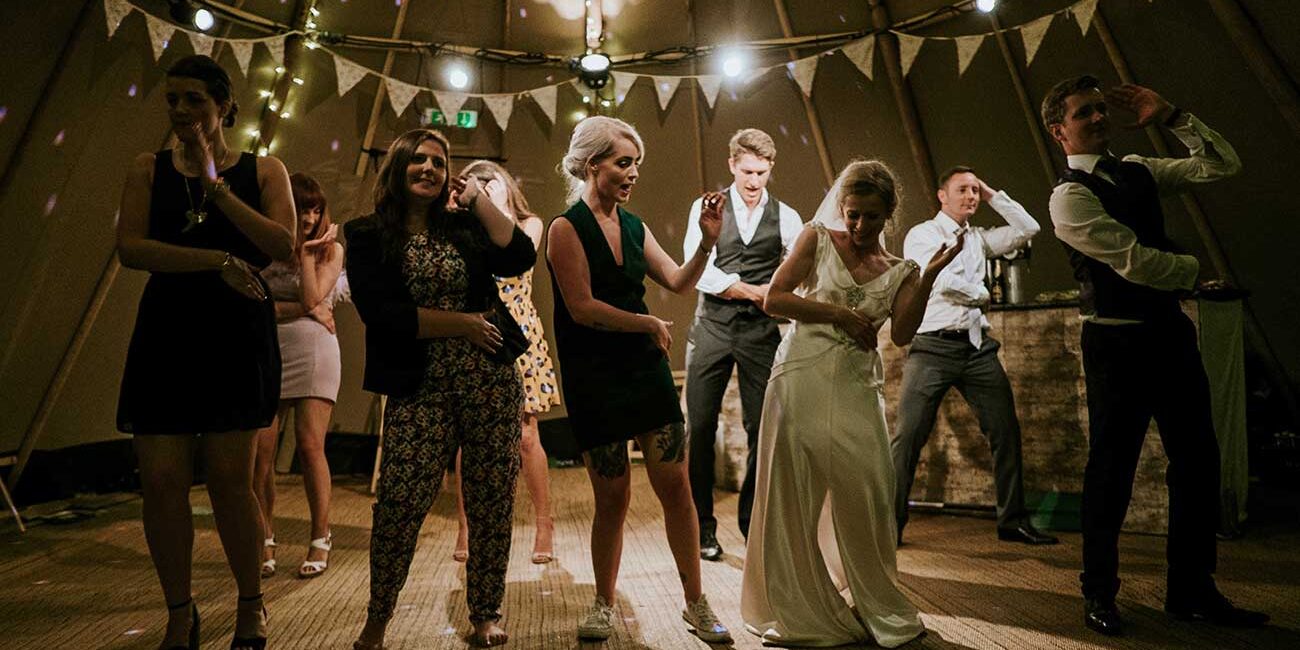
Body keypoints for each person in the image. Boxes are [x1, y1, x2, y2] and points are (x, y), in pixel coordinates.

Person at [1042, 75, 1267, 635]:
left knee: (1198, 461)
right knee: (1111, 470)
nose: (1098, 117)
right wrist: (1190, 269)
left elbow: (1222, 165)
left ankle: (1191, 590)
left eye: (1101, 108)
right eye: (1083, 112)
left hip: (1169, 334)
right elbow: (1136, 263)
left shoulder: (1137, 168)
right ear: (1058, 131)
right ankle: (1099, 593)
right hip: (1115, 344)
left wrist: (1173, 117)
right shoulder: (1068, 196)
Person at [116, 54, 295, 650]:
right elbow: (132, 248)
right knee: (162, 479)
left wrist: (218, 190)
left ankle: (250, 604)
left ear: (224, 107)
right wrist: (216, 261)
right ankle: (178, 611)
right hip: (167, 330)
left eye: (194, 99)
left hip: (235, 333)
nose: (181, 110)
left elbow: (281, 245)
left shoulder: (265, 170)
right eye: (172, 99)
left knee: (229, 480)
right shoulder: (148, 168)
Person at [741, 160, 960, 648]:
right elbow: (775, 299)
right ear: (841, 208)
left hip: (858, 387)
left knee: (869, 491)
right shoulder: (817, 239)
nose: (859, 226)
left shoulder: (900, 270)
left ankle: (870, 598)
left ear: (888, 215)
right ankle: (799, 610)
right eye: (852, 214)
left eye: (871, 217)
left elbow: (902, 333)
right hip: (800, 376)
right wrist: (838, 314)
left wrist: (927, 279)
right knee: (793, 494)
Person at [345, 129, 536, 649]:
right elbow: (382, 315)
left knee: (491, 499)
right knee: (399, 502)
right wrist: (464, 324)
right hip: (418, 385)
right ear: (397, 167)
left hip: (489, 381)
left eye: (438, 162)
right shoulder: (365, 234)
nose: (429, 168)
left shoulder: (464, 226)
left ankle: (486, 613)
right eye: (418, 159)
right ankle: (377, 618)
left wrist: (476, 199)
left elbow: (519, 256)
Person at [546, 116, 731, 643]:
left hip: (644, 369)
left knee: (676, 488)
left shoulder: (634, 225)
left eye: (636, 164)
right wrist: (646, 323)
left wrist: (706, 244)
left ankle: (695, 603)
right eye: (623, 163)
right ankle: (603, 603)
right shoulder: (565, 228)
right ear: (592, 164)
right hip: (595, 374)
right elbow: (581, 308)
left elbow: (677, 281)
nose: (633, 173)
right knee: (612, 498)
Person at [890, 167, 1056, 546]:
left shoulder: (978, 239)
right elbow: (938, 280)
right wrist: (980, 293)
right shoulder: (923, 234)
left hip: (977, 347)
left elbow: (1029, 228)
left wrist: (992, 193)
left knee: (1005, 431)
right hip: (933, 347)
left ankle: (1012, 521)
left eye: (974, 191)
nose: (971, 196)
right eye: (962, 189)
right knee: (908, 436)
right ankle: (889, 524)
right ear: (941, 196)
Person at [683, 128, 802, 561]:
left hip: (759, 333)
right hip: (712, 327)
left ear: (771, 169)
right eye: (747, 171)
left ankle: (753, 523)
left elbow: (798, 271)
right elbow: (700, 270)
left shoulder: (787, 217)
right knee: (700, 426)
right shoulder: (706, 207)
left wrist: (781, 292)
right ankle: (702, 528)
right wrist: (755, 291)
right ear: (732, 164)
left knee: (763, 428)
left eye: (761, 172)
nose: (754, 181)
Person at [450, 159, 561, 565]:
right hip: (478, 328)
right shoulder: (467, 230)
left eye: (489, 187)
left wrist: (496, 208)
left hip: (520, 335)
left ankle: (544, 524)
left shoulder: (530, 224)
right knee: (469, 437)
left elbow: (521, 256)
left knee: (527, 436)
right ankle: (465, 524)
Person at [253, 172, 344, 580]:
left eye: (315, 210)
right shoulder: (262, 246)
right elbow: (255, 304)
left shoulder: (330, 250)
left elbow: (312, 297)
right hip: (266, 349)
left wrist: (307, 255)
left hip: (314, 350)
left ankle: (320, 536)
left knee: (310, 447)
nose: (309, 218)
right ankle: (264, 537)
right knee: (261, 454)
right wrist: (302, 309)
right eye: (301, 209)